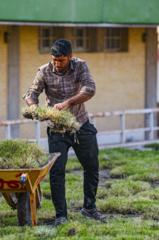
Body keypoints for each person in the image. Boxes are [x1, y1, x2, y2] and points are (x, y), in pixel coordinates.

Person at [22, 39, 106, 226]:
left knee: (92, 167)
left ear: (70, 57)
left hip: (80, 124)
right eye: (54, 60)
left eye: (61, 60)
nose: (57, 64)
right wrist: (35, 108)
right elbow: (30, 94)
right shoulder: (44, 70)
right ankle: (61, 215)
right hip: (57, 128)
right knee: (57, 172)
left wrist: (68, 102)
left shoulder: (80, 66)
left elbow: (89, 89)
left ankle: (89, 207)